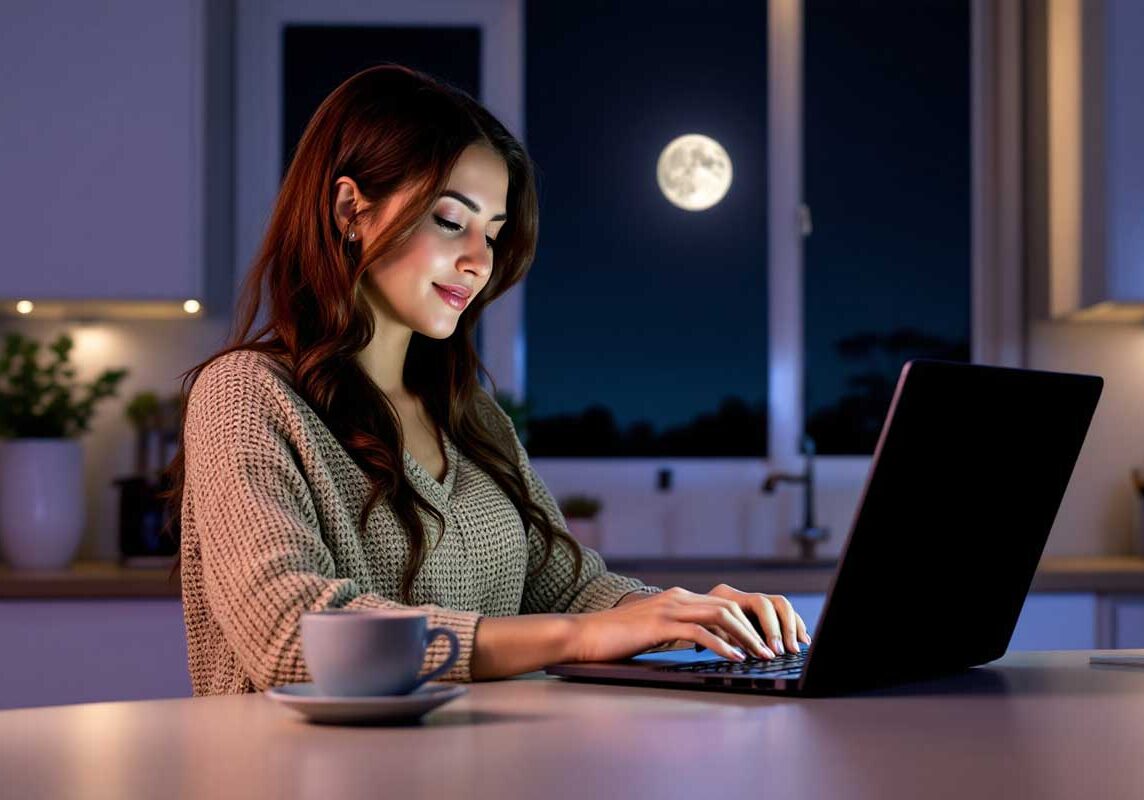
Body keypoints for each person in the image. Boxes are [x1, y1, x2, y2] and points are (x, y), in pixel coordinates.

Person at [161, 63, 809, 697]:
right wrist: (575, 638)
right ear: (348, 209)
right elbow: (290, 635)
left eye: (493, 234)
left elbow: (572, 590)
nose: (478, 261)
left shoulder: (471, 417)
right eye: (451, 221)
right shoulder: (246, 395)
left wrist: (686, 615)